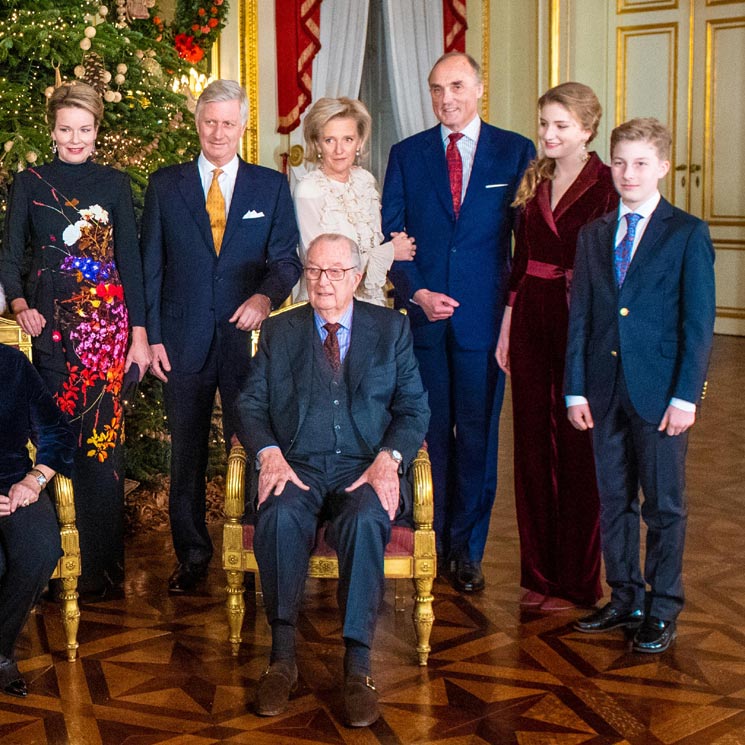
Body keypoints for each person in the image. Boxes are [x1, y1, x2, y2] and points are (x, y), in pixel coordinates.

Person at [241, 233, 429, 726]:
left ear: (357, 276)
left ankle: (358, 665)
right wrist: (270, 456)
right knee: (279, 515)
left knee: (367, 519)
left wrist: (389, 459)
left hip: (362, 464)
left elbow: (414, 408)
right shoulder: (280, 332)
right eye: (315, 271)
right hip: (298, 463)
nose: (324, 282)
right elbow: (250, 405)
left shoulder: (390, 329)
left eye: (336, 272)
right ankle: (282, 659)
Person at [141, 79, 302, 594]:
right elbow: (150, 269)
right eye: (209, 121)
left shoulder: (269, 187)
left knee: (252, 444)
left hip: (245, 342)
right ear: (197, 123)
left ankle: (254, 551)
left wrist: (264, 298)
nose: (218, 131)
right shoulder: (165, 186)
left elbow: (286, 261)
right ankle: (192, 557)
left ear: (243, 125)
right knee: (185, 453)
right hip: (180, 341)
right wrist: (155, 337)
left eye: (228, 122)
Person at [382, 52, 535, 593]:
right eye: (435, 89)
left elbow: (525, 244)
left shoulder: (515, 151)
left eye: (456, 85)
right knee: (428, 438)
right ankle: (433, 539)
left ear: (479, 87)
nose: (446, 98)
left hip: (483, 324)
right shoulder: (406, 154)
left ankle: (467, 552)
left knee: (475, 437)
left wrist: (513, 317)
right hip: (421, 321)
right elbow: (392, 236)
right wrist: (417, 292)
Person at [565, 118, 715, 653]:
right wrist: (575, 388)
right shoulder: (594, 234)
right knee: (614, 498)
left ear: (663, 168)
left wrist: (685, 397)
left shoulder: (687, 233)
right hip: (602, 391)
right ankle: (625, 594)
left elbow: (698, 325)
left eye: (641, 163)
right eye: (620, 162)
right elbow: (580, 314)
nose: (629, 173)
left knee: (664, 504)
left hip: (661, 396)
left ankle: (662, 604)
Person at [0, 82, 150, 598]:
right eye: (66, 129)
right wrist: (20, 305)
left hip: (107, 336)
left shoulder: (114, 183)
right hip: (52, 334)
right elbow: (9, 254)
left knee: (101, 451)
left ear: (96, 129)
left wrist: (140, 335)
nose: (75, 139)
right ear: (53, 129)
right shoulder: (30, 182)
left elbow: (130, 261)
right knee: (51, 439)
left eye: (84, 129)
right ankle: (44, 567)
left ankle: (101, 573)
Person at [495, 83, 618, 611]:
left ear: (587, 130)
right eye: (544, 123)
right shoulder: (533, 179)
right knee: (530, 450)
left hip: (583, 322)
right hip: (530, 321)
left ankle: (578, 580)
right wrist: (505, 328)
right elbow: (519, 266)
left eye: (561, 126)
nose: (548, 134)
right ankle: (539, 574)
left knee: (578, 452)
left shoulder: (611, 185)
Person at [1, 292, 76, 698]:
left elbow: (56, 431)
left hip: (13, 481)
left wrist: (33, 480)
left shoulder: (13, 365)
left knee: (40, 551)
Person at [292, 97, 416, 305]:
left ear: (359, 142)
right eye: (329, 140)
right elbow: (322, 265)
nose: (339, 150)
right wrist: (391, 252)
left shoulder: (365, 181)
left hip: (372, 304)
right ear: (317, 143)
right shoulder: (308, 190)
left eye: (348, 139)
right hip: (327, 304)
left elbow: (374, 244)